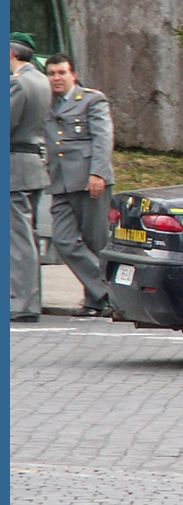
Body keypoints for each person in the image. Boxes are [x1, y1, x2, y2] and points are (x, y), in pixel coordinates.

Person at [43, 53, 115, 317]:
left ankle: (95, 302)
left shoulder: (91, 99)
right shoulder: (47, 103)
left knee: (97, 242)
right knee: (63, 240)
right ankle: (108, 294)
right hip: (60, 183)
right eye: (51, 73)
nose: (56, 78)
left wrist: (98, 173)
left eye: (61, 72)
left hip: (89, 181)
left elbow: (103, 138)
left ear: (73, 74)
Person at [10, 33, 52, 323]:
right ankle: (30, 300)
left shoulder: (17, 82)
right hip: (32, 165)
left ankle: (23, 303)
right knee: (29, 237)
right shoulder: (40, 79)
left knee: (18, 240)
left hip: (15, 166)